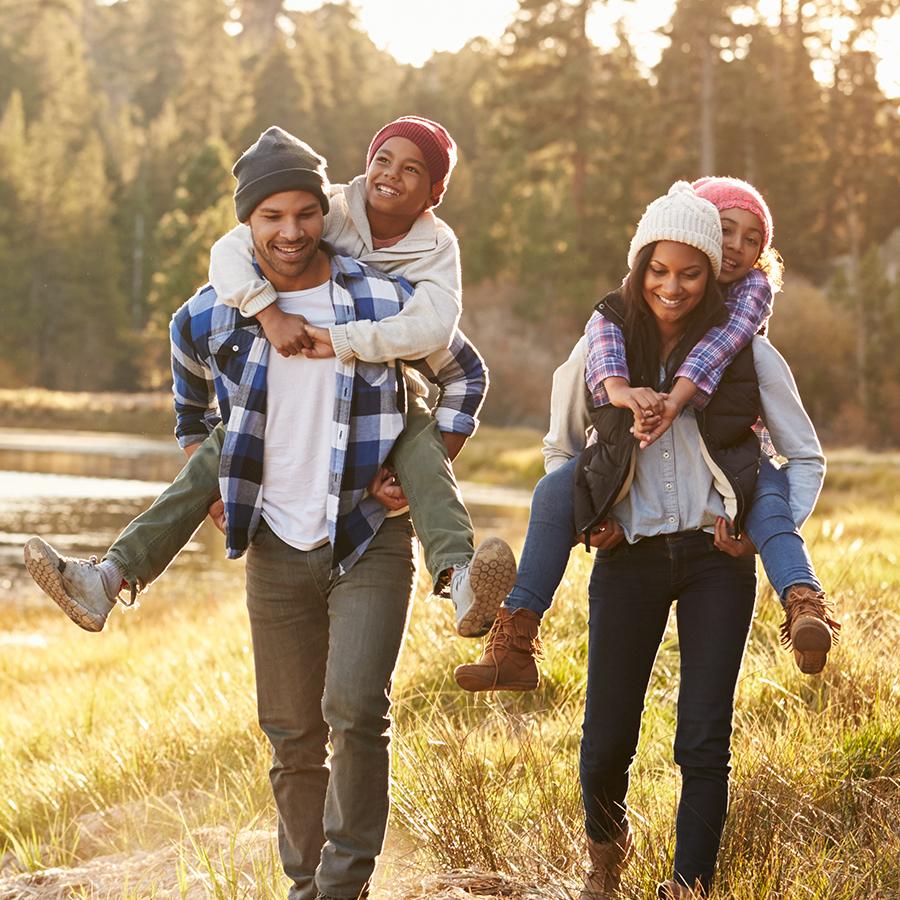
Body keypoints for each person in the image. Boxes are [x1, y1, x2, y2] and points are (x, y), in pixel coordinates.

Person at [23, 117, 516, 640]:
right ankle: (108, 578)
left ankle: (459, 579)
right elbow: (231, 251)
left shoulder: (434, 253)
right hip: (280, 398)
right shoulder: (326, 210)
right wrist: (266, 312)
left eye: (412, 168)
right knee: (222, 447)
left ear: (435, 192)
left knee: (420, 443)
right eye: (382, 160)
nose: (390, 175)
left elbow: (444, 334)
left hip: (389, 393)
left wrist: (411, 464)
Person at [165, 131, 486, 900]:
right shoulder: (216, 312)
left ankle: (343, 886)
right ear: (247, 223)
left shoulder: (379, 297)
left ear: (325, 213)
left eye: (304, 212)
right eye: (269, 215)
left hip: (367, 533)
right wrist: (202, 472)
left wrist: (426, 456)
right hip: (274, 541)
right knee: (291, 734)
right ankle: (304, 883)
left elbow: (462, 370)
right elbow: (188, 390)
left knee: (353, 709)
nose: (289, 230)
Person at [499, 183, 820, 898]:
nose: (672, 287)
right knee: (606, 738)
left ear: (712, 275)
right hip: (630, 557)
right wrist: (593, 519)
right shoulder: (600, 347)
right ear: (640, 266)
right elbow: (561, 452)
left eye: (691, 272)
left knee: (703, 741)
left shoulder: (747, 357)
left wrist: (761, 532)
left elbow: (805, 456)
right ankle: (604, 858)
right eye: (658, 271)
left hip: (717, 564)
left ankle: (689, 886)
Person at [455, 176, 837, 695]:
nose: (737, 248)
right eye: (725, 232)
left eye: (752, 240)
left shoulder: (745, 326)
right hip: (629, 528)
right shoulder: (611, 324)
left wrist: (675, 400)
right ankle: (515, 636)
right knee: (552, 491)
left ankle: (803, 601)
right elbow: (564, 436)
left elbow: (790, 437)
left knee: (768, 497)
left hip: (731, 485)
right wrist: (593, 514)